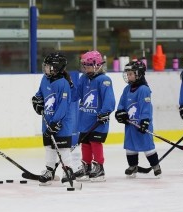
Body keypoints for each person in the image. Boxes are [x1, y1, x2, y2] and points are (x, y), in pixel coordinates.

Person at [31, 52, 75, 185]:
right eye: (45, 66)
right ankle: (49, 171)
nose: (45, 69)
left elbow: (63, 105)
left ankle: (68, 171)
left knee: (63, 148)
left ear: (57, 68)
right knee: (49, 147)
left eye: (48, 66)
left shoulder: (63, 84)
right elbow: (39, 94)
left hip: (61, 124)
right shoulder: (45, 79)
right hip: (47, 121)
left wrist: (55, 123)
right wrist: (36, 102)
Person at [72, 50, 115, 182]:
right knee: (85, 143)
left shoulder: (104, 80)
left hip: (98, 119)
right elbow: (76, 95)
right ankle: (87, 166)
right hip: (85, 118)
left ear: (97, 65)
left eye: (88, 65)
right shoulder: (83, 78)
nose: (86, 68)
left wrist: (105, 112)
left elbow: (109, 99)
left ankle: (99, 167)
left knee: (95, 143)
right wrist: (69, 86)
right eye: (84, 65)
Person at [115, 60, 162, 178]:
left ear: (139, 74)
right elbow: (121, 103)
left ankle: (156, 166)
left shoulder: (143, 89)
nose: (128, 76)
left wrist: (145, 121)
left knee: (147, 146)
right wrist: (120, 113)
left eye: (131, 74)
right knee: (130, 146)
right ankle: (133, 166)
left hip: (141, 125)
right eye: (128, 74)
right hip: (130, 125)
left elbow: (146, 108)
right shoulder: (127, 89)